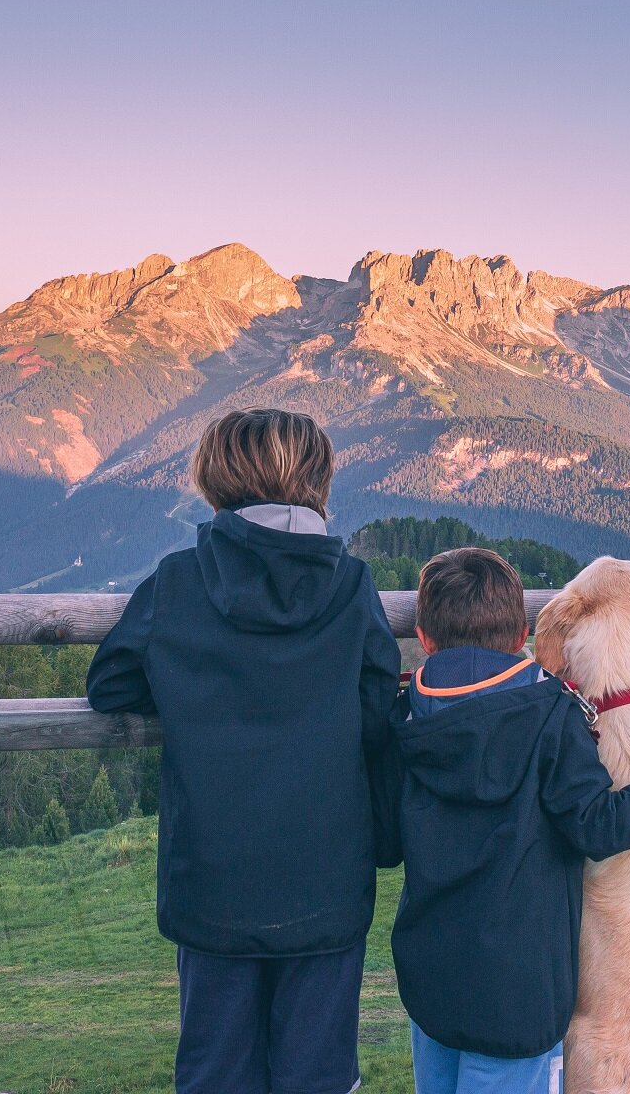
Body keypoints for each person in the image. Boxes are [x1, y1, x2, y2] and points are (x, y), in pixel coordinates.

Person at [87, 407, 399, 1094]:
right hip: (327, 880)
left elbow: (110, 684)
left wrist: (192, 690)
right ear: (316, 479)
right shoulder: (352, 587)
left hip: (213, 883)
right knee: (317, 1076)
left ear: (216, 476)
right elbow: (379, 716)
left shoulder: (179, 580)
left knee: (215, 1075)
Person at [386, 547, 630, 1094]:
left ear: (424, 638)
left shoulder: (402, 719)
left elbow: (387, 839)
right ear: (523, 637)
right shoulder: (554, 720)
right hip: (521, 1003)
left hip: (431, 986)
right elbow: (597, 828)